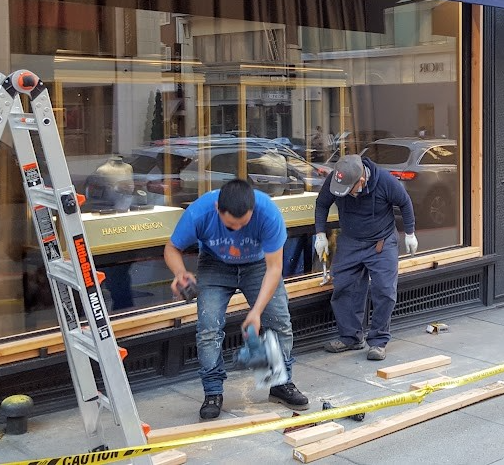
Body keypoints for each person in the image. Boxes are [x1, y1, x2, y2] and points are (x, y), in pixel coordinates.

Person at [163, 179, 310, 419]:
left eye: (244, 224)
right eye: (231, 226)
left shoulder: (268, 213)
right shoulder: (199, 212)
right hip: (214, 265)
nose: (238, 229)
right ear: (217, 208)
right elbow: (172, 248)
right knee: (208, 327)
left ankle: (279, 384)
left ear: (253, 209)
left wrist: (256, 312)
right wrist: (180, 273)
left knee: (278, 322)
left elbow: (274, 269)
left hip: (258, 265)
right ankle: (213, 392)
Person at [314, 155, 417, 361]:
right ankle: (350, 337)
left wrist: (410, 233)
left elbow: (405, 203)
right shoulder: (338, 179)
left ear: (361, 181)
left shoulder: (385, 182)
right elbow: (322, 204)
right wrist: (320, 234)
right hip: (351, 240)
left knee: (385, 290)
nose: (342, 192)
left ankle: (378, 341)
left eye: (348, 189)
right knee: (344, 286)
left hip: (381, 242)